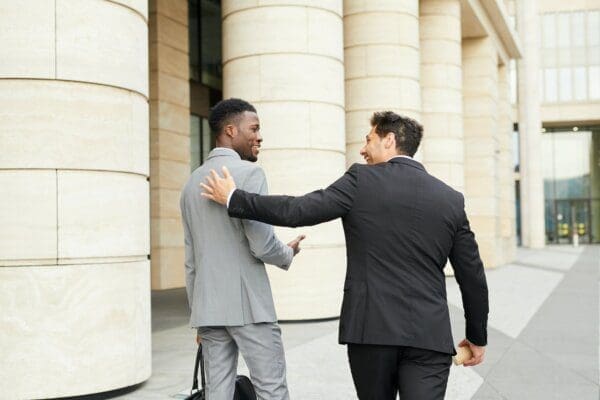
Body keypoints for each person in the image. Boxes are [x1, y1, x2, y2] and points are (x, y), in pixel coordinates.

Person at [201, 111, 489, 400]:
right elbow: (472, 276)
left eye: (369, 140)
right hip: (429, 337)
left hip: (370, 332)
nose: (363, 149)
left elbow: (298, 210)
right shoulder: (450, 199)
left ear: (389, 140)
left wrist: (234, 198)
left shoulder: (360, 180)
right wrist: (477, 337)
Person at [180, 98, 305, 400]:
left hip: (209, 310)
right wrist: (286, 253)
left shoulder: (190, 184)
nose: (259, 136)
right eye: (254, 128)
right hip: (249, 307)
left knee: (217, 394)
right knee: (271, 390)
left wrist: (199, 313)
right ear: (231, 130)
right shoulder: (249, 175)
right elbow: (261, 243)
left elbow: (190, 260)